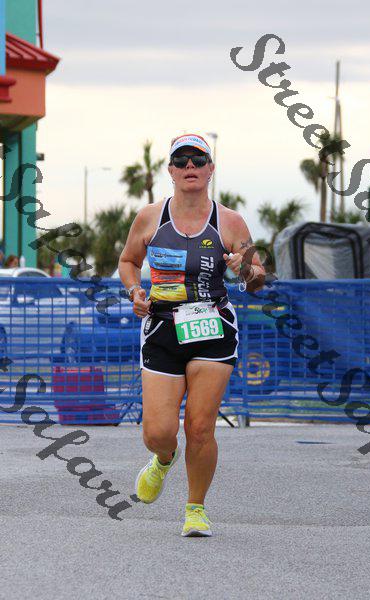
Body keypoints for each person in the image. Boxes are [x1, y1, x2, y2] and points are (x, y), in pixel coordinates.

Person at [118, 133, 265, 537]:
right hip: (163, 328)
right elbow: (128, 261)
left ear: (210, 169)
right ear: (170, 170)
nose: (190, 167)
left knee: (199, 427)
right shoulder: (150, 218)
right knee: (158, 433)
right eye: (181, 160)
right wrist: (134, 291)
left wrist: (245, 269)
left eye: (198, 160)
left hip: (212, 327)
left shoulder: (229, 221)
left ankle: (195, 508)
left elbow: (258, 277)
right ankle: (163, 459)